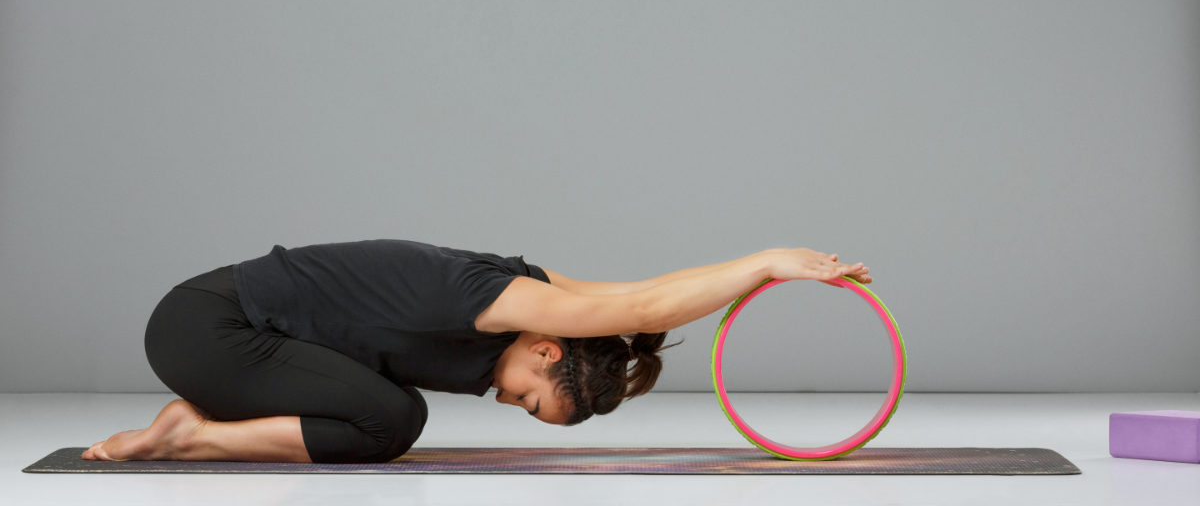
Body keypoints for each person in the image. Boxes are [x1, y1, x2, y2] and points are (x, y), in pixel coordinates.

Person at [82, 239, 872, 463]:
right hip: (206, 331)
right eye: (528, 397)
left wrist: (752, 269)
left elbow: (637, 294)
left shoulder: (530, 298)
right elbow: (640, 308)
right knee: (393, 420)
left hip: (231, 335)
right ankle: (192, 437)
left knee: (393, 409)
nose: (503, 399)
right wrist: (766, 263)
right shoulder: (492, 301)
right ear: (547, 350)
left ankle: (201, 425)